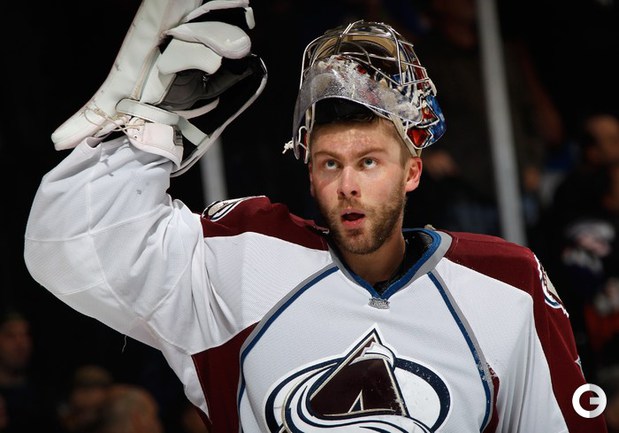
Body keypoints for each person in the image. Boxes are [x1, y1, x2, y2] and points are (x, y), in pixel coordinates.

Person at [23, 1, 606, 432]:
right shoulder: (241, 260)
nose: (347, 184)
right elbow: (68, 246)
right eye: (330, 163)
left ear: (412, 172)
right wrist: (150, 131)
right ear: (309, 174)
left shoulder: (508, 285)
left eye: (369, 161)